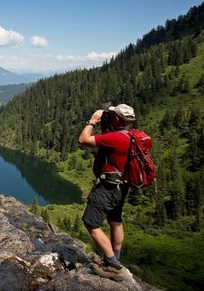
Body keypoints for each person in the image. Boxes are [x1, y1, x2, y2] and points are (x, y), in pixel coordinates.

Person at [78, 103, 137, 281]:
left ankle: (111, 264)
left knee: (91, 223)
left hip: (108, 187)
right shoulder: (133, 136)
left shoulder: (116, 138)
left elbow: (83, 140)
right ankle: (115, 258)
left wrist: (92, 121)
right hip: (122, 186)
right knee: (115, 221)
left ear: (118, 119)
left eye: (113, 116)